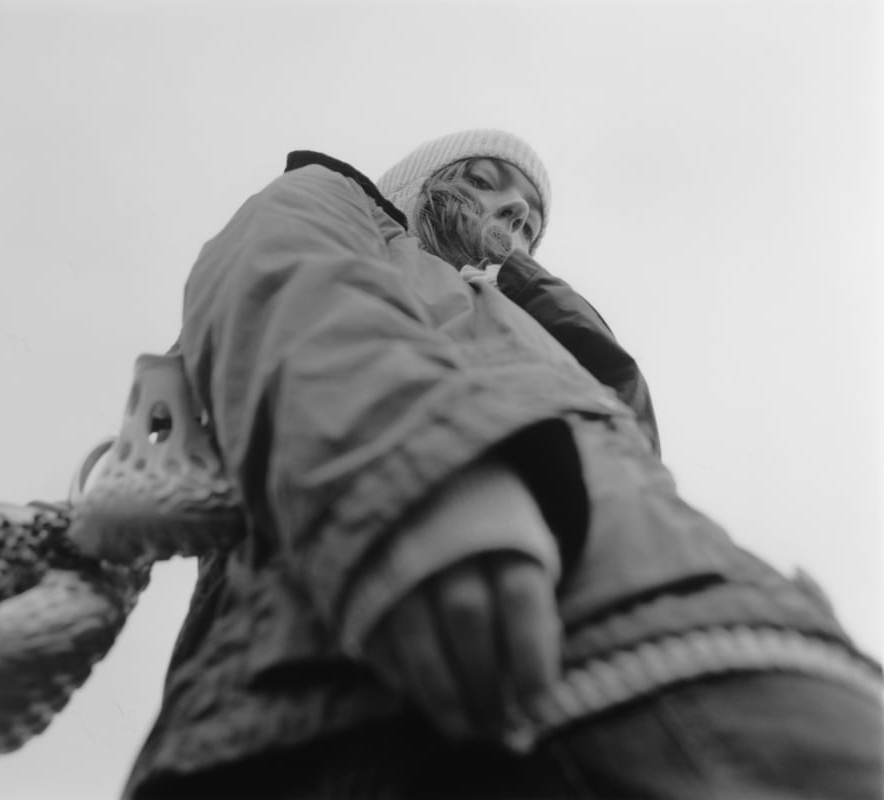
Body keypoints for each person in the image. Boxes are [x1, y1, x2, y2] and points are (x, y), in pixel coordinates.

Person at [101, 130, 882, 799]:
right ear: (414, 189)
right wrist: (417, 485)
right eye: (482, 181)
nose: (516, 210)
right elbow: (284, 287)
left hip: (703, 630)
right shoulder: (333, 207)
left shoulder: (560, 336)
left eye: (531, 215)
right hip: (334, 702)